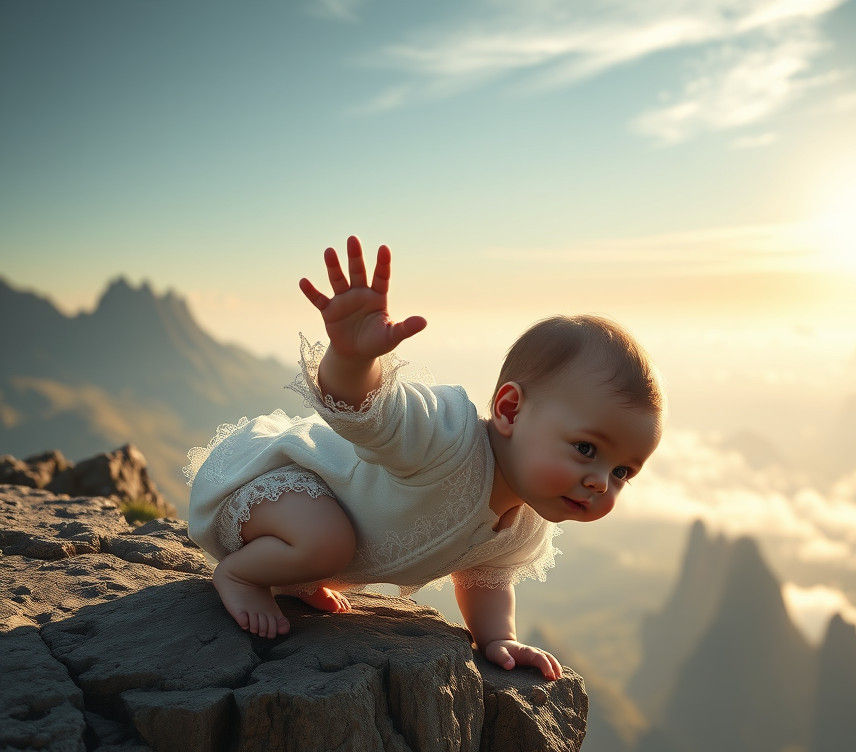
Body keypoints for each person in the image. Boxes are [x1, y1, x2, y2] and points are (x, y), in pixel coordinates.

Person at [185, 236, 663, 680]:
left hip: (299, 534)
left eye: (622, 471)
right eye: (586, 449)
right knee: (328, 540)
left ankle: (297, 574)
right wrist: (352, 360)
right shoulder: (446, 439)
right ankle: (242, 574)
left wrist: (499, 638)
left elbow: (485, 579)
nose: (601, 481)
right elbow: (372, 413)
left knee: (330, 544)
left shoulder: (524, 525)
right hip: (267, 486)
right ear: (510, 410)